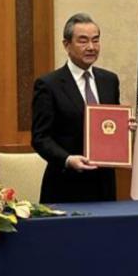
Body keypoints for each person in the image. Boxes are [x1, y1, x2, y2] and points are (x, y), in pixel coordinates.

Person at [31, 13, 122, 203]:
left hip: (104, 184)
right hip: (65, 185)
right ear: (66, 45)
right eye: (83, 41)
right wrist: (67, 159)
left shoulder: (109, 80)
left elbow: (110, 124)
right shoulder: (49, 85)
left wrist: (124, 127)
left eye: (95, 40)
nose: (91, 47)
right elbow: (40, 138)